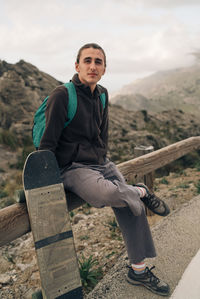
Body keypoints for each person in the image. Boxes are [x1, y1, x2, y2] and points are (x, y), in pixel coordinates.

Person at [39, 43, 170, 296]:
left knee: (129, 205)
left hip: (101, 162)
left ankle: (139, 270)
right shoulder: (62, 95)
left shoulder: (102, 93)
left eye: (98, 62)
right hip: (73, 167)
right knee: (110, 195)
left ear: (104, 69)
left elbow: (103, 133)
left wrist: (105, 162)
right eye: (87, 60)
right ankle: (141, 191)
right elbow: (47, 143)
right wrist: (43, 182)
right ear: (77, 66)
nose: (92, 66)